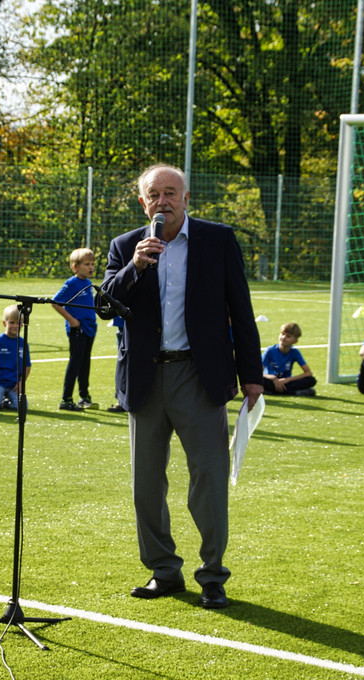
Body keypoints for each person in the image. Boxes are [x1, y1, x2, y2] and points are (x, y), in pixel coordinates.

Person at [101, 163, 263, 610]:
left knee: (209, 479)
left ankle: (212, 576)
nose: (163, 201)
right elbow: (104, 305)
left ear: (186, 199)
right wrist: (134, 266)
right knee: (146, 485)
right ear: (143, 203)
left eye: (171, 193)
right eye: (154, 194)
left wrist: (251, 375)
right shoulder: (125, 246)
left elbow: (241, 309)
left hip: (199, 376)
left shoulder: (218, 240)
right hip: (145, 379)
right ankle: (163, 571)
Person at [51, 248, 98, 411]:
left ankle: (84, 397)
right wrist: (71, 320)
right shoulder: (72, 283)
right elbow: (55, 302)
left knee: (85, 364)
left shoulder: (88, 283)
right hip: (78, 330)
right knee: (75, 363)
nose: (91, 267)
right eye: (87, 264)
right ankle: (66, 399)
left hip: (89, 328)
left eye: (92, 264)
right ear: (75, 267)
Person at [0, 304, 31, 411]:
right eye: (12, 322)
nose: (15, 326)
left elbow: (27, 365)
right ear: (4, 323)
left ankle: (5, 402)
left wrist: (21, 382)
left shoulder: (23, 343)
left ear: (22, 324)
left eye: (18, 323)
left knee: (22, 407)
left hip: (14, 384)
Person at [261, 322, 317, 396]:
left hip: (286, 382)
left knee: (311, 380)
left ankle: (273, 391)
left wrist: (287, 379)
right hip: (271, 380)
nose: (283, 337)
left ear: (295, 341)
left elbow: (308, 373)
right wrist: (273, 378)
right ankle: (294, 392)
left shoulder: (294, 352)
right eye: (282, 334)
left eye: (288, 336)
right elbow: (258, 372)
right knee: (259, 380)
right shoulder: (270, 351)